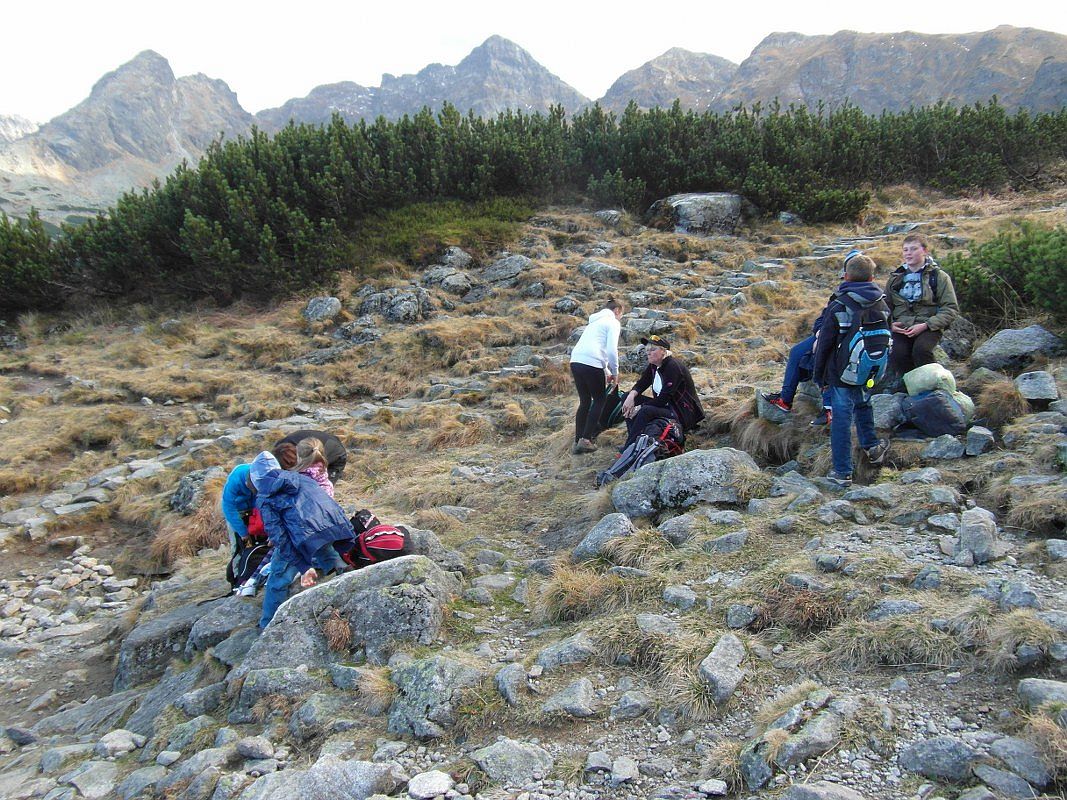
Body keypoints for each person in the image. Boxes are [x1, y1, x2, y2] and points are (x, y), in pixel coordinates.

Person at [250, 451, 355, 630]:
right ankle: (346, 577)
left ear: (256, 479)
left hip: (303, 535)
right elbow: (328, 504)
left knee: (278, 577)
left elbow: (280, 537)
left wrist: (303, 566)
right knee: (323, 546)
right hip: (331, 527)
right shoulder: (302, 478)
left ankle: (268, 626)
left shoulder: (265, 496)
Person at [813, 252, 890, 487]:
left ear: (846, 277)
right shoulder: (882, 303)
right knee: (864, 403)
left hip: (841, 373)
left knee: (842, 418)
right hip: (869, 369)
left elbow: (824, 345)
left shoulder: (839, 305)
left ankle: (842, 471)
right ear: (872, 278)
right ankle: (872, 448)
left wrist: (820, 377)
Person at [885, 234, 959, 375]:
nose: (909, 253)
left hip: (928, 325)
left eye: (913, 249)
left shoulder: (939, 277)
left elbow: (950, 308)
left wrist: (926, 325)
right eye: (905, 250)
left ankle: (933, 384)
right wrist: (890, 325)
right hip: (902, 327)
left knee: (922, 351)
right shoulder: (894, 279)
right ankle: (909, 385)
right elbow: (885, 307)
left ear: (924, 251)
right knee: (897, 353)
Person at [619, 334, 705, 449]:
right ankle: (634, 438)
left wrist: (639, 407)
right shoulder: (654, 365)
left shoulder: (672, 367)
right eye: (647, 349)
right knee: (626, 397)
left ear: (664, 351)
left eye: (653, 349)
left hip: (681, 413)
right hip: (665, 407)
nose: (648, 352)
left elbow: (663, 399)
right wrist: (631, 396)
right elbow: (642, 383)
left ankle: (630, 446)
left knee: (645, 410)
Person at [569, 299, 624, 454]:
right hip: (592, 363)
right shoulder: (613, 322)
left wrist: (606, 372)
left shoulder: (594, 323)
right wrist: (615, 372)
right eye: (621, 314)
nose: (620, 317)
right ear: (617, 310)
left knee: (585, 401)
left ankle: (577, 441)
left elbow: (594, 348)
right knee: (600, 400)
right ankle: (586, 440)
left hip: (576, 361)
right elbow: (611, 350)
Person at [761, 316, 834, 427]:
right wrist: (820, 331)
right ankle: (785, 400)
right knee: (796, 352)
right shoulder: (834, 304)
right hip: (826, 332)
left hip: (844, 334)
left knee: (826, 357)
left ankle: (829, 410)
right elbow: (822, 318)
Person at [273, 429, 347, 483]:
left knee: (320, 489)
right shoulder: (280, 450)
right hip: (320, 441)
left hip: (336, 454)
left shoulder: (308, 454)